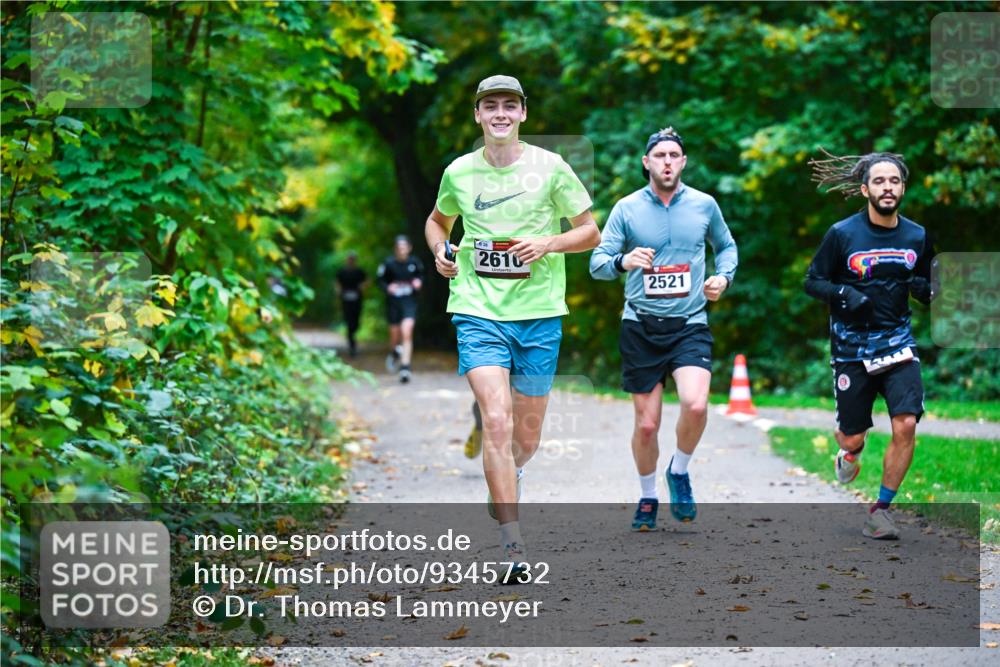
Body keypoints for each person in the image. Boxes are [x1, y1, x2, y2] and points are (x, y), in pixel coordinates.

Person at [424, 75, 600, 573]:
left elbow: (590, 231)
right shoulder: (459, 172)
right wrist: (441, 250)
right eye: (489, 106)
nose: (499, 113)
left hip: (540, 313)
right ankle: (511, 544)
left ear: (523, 113)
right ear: (478, 115)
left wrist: (547, 243)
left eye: (509, 105)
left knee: (526, 438)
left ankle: (508, 476)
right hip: (478, 309)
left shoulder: (552, 168)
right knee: (496, 420)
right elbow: (438, 221)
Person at [590, 127, 738, 532]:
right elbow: (597, 263)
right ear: (647, 162)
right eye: (660, 156)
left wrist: (723, 278)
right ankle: (647, 495)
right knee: (647, 425)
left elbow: (726, 247)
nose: (667, 161)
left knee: (695, 404)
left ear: (683, 161)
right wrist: (624, 261)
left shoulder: (705, 205)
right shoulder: (626, 208)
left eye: (674, 155)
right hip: (640, 324)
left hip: (690, 322)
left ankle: (680, 470)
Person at [805, 150, 935, 540]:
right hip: (851, 349)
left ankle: (880, 510)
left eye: (894, 181)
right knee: (852, 436)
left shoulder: (917, 235)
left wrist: (925, 290)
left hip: (898, 343)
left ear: (903, 188)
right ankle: (848, 452)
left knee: (906, 424)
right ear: (865, 189)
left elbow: (931, 285)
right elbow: (813, 281)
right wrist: (844, 293)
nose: (887, 188)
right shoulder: (842, 234)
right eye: (879, 181)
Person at [376, 235, 424, 383]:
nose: (401, 250)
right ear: (395, 249)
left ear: (409, 248)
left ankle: (405, 368)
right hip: (393, 303)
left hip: (409, 302)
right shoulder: (388, 264)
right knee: (395, 335)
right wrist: (388, 287)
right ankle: (395, 351)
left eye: (404, 247)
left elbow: (422, 276)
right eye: (399, 248)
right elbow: (380, 280)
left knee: (407, 331)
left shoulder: (415, 263)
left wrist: (418, 282)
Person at [335, 252, 366, 357]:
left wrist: (363, 286)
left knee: (356, 322)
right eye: (349, 259)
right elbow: (337, 283)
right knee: (349, 322)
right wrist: (338, 292)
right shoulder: (342, 272)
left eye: (353, 259)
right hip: (346, 300)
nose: (351, 261)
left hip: (357, 300)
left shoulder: (359, 272)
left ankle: (352, 335)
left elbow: (367, 281)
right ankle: (352, 345)